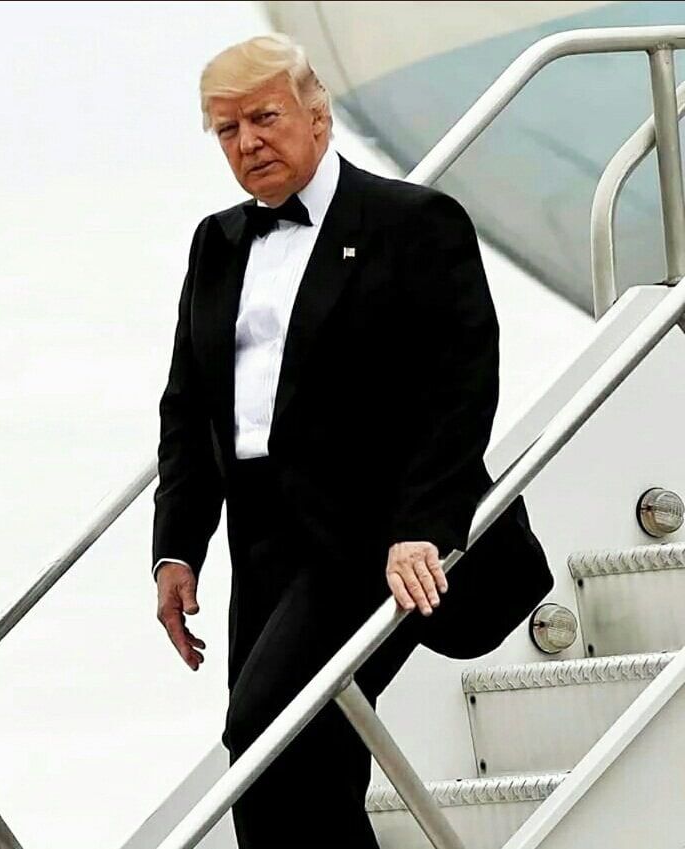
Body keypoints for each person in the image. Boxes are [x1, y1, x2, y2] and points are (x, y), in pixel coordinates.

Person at [152, 33, 553, 849]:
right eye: (227, 129)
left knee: (266, 730)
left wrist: (424, 527)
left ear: (318, 114)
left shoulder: (415, 222)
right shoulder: (215, 243)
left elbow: (461, 386)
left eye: (264, 117)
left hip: (369, 530)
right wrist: (176, 548)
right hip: (261, 540)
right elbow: (189, 407)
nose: (247, 142)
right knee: (287, 770)